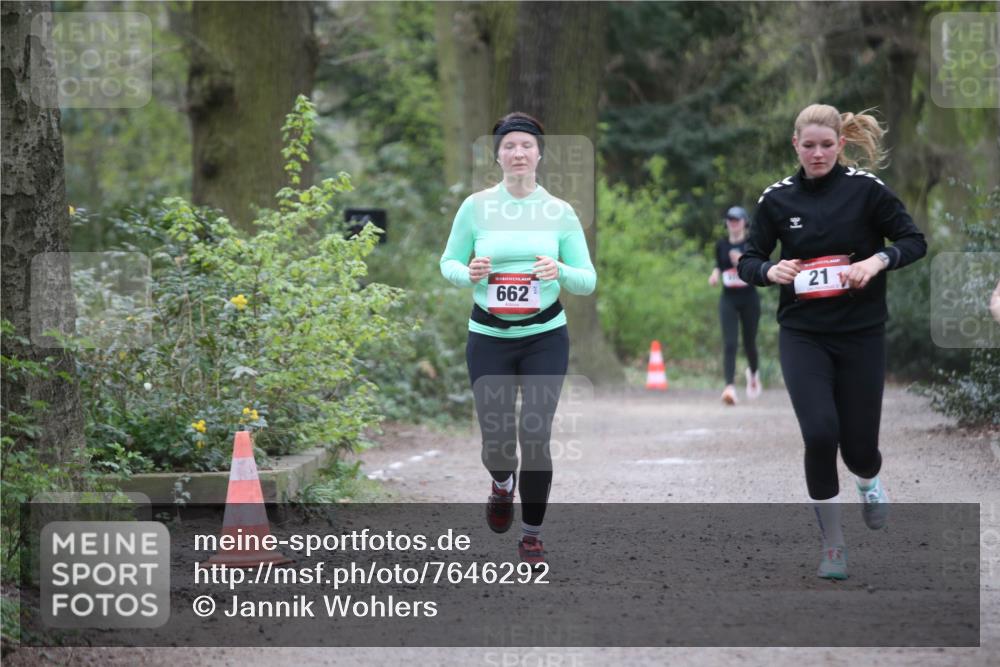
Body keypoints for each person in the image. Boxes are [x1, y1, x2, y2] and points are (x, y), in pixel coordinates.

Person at [737, 104, 927, 580]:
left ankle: (868, 482)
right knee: (820, 433)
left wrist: (877, 262)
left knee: (859, 448)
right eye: (809, 146)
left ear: (841, 144)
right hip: (804, 335)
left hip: (861, 334)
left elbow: (913, 239)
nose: (818, 154)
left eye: (827, 145)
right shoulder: (777, 199)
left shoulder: (866, 190)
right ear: (795, 146)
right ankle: (834, 545)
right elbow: (749, 258)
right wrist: (768, 271)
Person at [440, 112, 596, 567]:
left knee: (536, 434)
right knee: (497, 439)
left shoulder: (560, 212)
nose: (518, 153)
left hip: (545, 336)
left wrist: (559, 271)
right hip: (488, 335)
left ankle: (531, 535)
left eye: (526, 145)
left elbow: (586, 279)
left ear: (540, 153)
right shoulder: (476, 207)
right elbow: (448, 262)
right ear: (498, 155)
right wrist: (466, 272)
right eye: (509, 146)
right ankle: (501, 484)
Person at [708, 206, 762, 405]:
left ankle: (754, 373)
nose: (733, 222)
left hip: (749, 298)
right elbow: (718, 265)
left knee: (749, 343)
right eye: (730, 219)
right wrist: (714, 274)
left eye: (737, 219)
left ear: (745, 223)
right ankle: (729, 387)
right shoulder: (721, 245)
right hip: (728, 298)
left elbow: (758, 267)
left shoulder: (751, 244)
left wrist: (741, 260)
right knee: (730, 343)